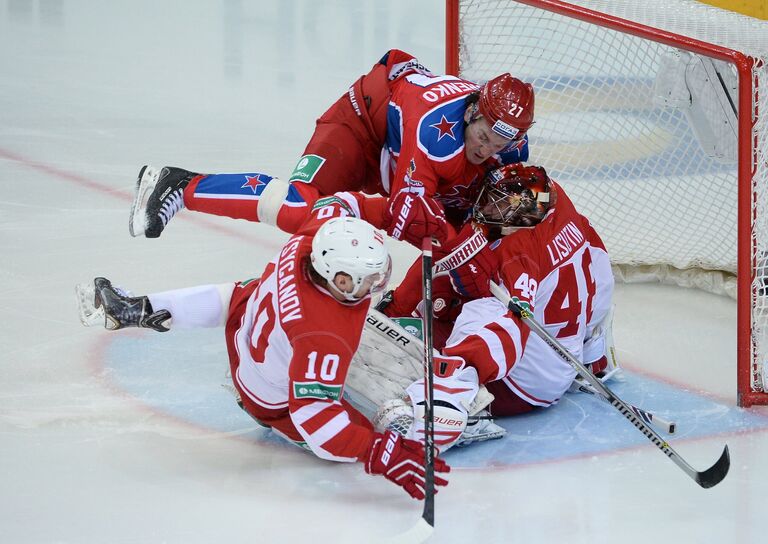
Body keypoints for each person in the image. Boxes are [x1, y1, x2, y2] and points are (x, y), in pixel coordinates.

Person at [77, 213, 449, 500]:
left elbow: (343, 204)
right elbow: (316, 423)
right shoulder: (323, 334)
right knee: (355, 431)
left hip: (245, 330)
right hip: (269, 403)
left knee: (244, 293)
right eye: (364, 280)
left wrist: (392, 213)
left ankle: (139, 307)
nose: (375, 286)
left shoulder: (304, 244)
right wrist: (377, 450)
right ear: (338, 279)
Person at [129, 49, 535, 247]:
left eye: (501, 143)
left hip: (393, 154)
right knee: (300, 210)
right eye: (483, 137)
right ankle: (180, 185)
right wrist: (460, 250)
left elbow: (496, 213)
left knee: (470, 220)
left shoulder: (509, 145)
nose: (488, 149)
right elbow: (404, 213)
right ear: (471, 113)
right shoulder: (434, 130)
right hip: (358, 125)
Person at [373, 163, 616, 447]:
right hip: (561, 363)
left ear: (525, 213)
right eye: (492, 200)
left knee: (415, 335)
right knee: (461, 270)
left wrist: (457, 377)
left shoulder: (514, 252)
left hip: (519, 387)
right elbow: (601, 282)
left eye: (500, 206)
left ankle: (462, 408)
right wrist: (593, 355)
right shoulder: (563, 211)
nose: (487, 210)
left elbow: (508, 325)